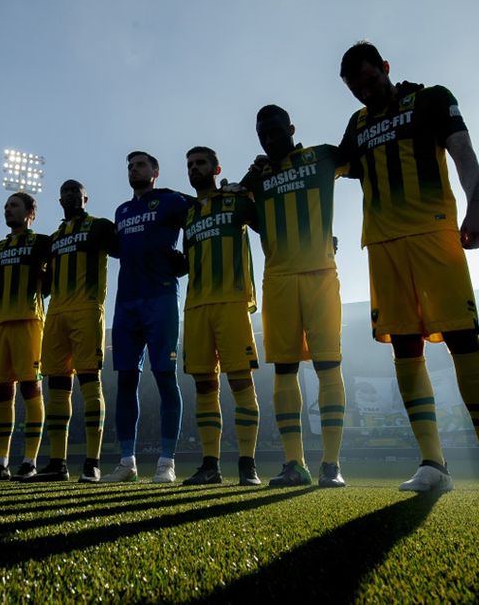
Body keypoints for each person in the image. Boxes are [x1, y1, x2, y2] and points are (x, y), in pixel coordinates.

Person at [337, 40, 479, 494]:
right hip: (382, 246)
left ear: (385, 67)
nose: (365, 91)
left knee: (463, 337)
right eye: (355, 88)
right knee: (405, 348)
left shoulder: (431, 98)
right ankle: (433, 464)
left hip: (433, 235)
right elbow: (332, 166)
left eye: (369, 79)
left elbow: (462, 148)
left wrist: (476, 205)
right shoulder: (357, 125)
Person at [240, 105, 350, 488]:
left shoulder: (320, 156)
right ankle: (294, 464)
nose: (269, 139)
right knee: (284, 369)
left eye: (274, 131)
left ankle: (331, 465)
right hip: (279, 279)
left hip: (320, 273)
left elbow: (358, 157)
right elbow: (238, 211)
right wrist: (248, 176)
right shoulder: (259, 177)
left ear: (291, 128)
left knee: (327, 366)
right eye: (262, 135)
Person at [102, 151, 192, 483]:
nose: (134, 169)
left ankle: (166, 463)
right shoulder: (122, 211)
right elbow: (118, 247)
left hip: (161, 298)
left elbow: (197, 218)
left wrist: (187, 258)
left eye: (140, 165)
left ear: (155, 171)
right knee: (125, 381)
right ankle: (127, 463)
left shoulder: (171, 200)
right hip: (126, 303)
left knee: (166, 376)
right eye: (129, 166)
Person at [178, 147, 262, 486]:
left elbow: (267, 227)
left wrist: (250, 182)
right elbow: (186, 261)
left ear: (216, 168)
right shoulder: (189, 215)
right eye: (190, 165)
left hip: (231, 302)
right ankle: (210, 466)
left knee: (241, 383)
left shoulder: (235, 200)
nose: (195, 168)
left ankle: (247, 466)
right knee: (204, 386)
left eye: (200, 163)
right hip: (196, 308)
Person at [25, 180, 116, 483]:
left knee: (90, 381)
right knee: (57, 387)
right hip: (56, 315)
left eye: (75, 192)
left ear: (85, 198)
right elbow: (47, 285)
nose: (69, 196)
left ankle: (92, 463)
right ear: (59, 199)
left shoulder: (99, 226)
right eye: (64, 192)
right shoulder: (54, 239)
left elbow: (121, 250)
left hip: (87, 310)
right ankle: (57, 463)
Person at [0, 193, 52, 481]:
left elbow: (52, 275)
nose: (8, 210)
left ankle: (30, 461)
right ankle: (0, 462)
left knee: (31, 389)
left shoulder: (42, 242)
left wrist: (43, 288)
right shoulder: (0, 246)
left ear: (31, 211)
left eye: (15, 206)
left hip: (29, 321)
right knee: (2, 393)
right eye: (6, 206)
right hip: (1, 324)